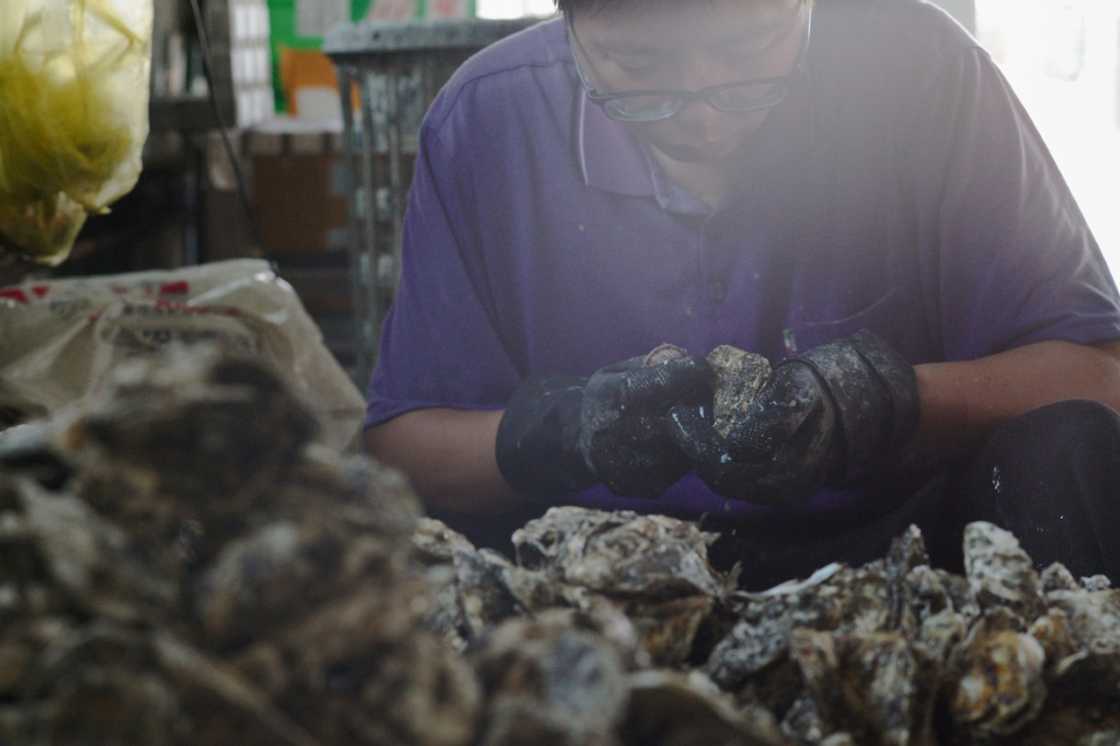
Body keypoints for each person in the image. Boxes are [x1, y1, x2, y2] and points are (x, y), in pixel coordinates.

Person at [363, 0, 1120, 589]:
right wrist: (564, 433)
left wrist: (881, 403)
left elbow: (1098, 379)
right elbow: (405, 452)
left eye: (749, 50)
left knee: (1073, 457)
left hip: (907, 549)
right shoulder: (487, 121)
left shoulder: (925, 74)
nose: (702, 113)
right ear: (569, 24)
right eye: (638, 65)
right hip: (596, 576)